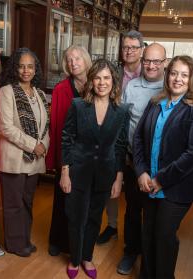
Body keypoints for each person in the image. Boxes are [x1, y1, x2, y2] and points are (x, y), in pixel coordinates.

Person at [133, 55, 193, 278]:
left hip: (175, 188)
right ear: (167, 75)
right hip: (148, 183)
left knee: (164, 237)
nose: (178, 79)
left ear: (192, 79)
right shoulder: (155, 102)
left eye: (184, 75)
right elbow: (138, 138)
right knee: (147, 235)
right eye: (174, 73)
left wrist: (161, 179)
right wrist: (141, 171)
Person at [61, 59, 129, 279]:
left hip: (105, 173)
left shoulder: (122, 111)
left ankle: (87, 257)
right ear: (91, 81)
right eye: (97, 78)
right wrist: (65, 172)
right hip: (78, 171)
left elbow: (120, 146)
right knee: (76, 216)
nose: (102, 83)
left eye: (107, 78)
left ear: (114, 82)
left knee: (93, 217)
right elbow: (67, 138)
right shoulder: (78, 105)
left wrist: (118, 179)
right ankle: (74, 258)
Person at [116, 43, 167, 275]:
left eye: (157, 61)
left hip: (162, 167)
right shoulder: (132, 86)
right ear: (142, 59)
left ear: (165, 62)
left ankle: (150, 257)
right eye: (147, 60)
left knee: (155, 217)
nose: (151, 65)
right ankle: (130, 251)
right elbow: (123, 123)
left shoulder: (171, 86)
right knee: (133, 211)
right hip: (134, 162)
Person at [0, 48, 49, 257]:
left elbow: (46, 125)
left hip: (34, 159)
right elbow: (6, 127)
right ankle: (15, 244)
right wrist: (33, 145)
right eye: (21, 66)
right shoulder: (6, 91)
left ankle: (24, 238)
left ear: (36, 69)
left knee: (27, 202)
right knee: (13, 204)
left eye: (30, 66)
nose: (26, 70)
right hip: (14, 158)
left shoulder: (40, 94)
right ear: (14, 68)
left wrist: (43, 144)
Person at [97, 29, 144, 245]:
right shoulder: (113, 73)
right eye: (126, 47)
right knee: (110, 185)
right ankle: (112, 225)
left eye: (134, 47)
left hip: (139, 143)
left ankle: (136, 238)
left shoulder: (150, 73)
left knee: (136, 193)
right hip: (114, 139)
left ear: (141, 50)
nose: (129, 51)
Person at [46, 45, 92, 256]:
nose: (73, 62)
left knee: (83, 202)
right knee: (61, 198)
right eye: (69, 59)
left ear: (86, 60)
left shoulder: (97, 85)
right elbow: (55, 126)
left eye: (77, 58)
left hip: (89, 155)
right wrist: (56, 159)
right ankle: (57, 241)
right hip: (66, 153)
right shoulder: (60, 89)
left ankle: (79, 245)